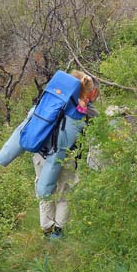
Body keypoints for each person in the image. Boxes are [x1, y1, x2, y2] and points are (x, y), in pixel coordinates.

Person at [34, 70, 99, 239]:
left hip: (41, 155)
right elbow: (98, 126)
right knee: (64, 193)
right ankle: (59, 230)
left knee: (45, 192)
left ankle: (46, 230)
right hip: (66, 157)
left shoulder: (49, 102)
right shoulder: (85, 111)